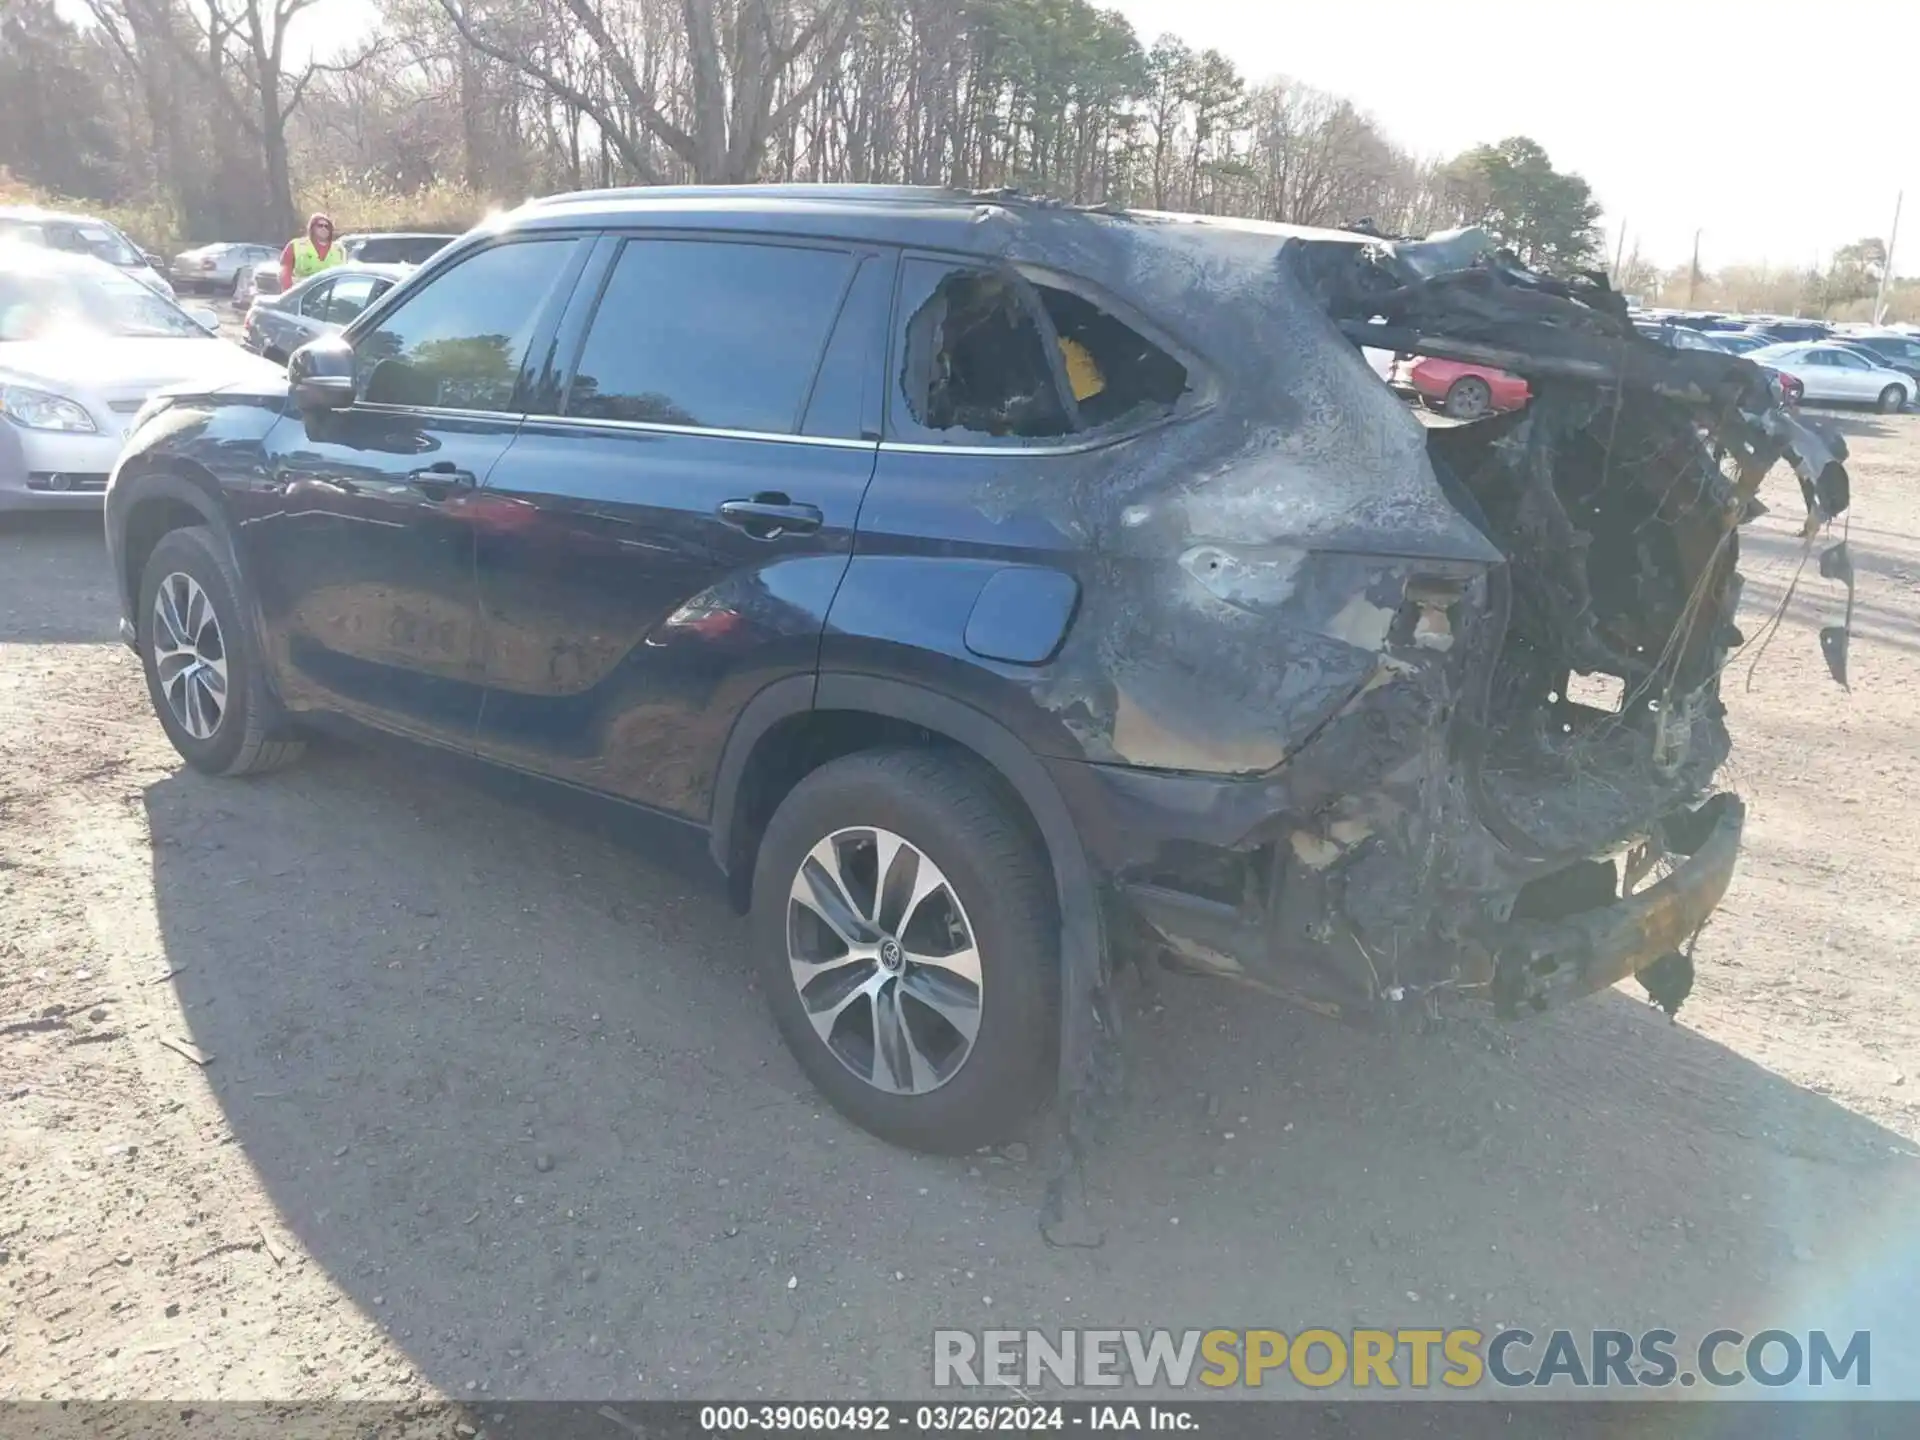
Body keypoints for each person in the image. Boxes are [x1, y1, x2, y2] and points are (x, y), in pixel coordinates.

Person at [279, 212, 342, 292]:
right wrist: (288, 292)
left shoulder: (339, 249)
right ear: (312, 227)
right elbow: (285, 271)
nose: (324, 228)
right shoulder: (296, 245)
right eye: (320, 225)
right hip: (302, 294)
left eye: (327, 226)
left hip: (329, 297)